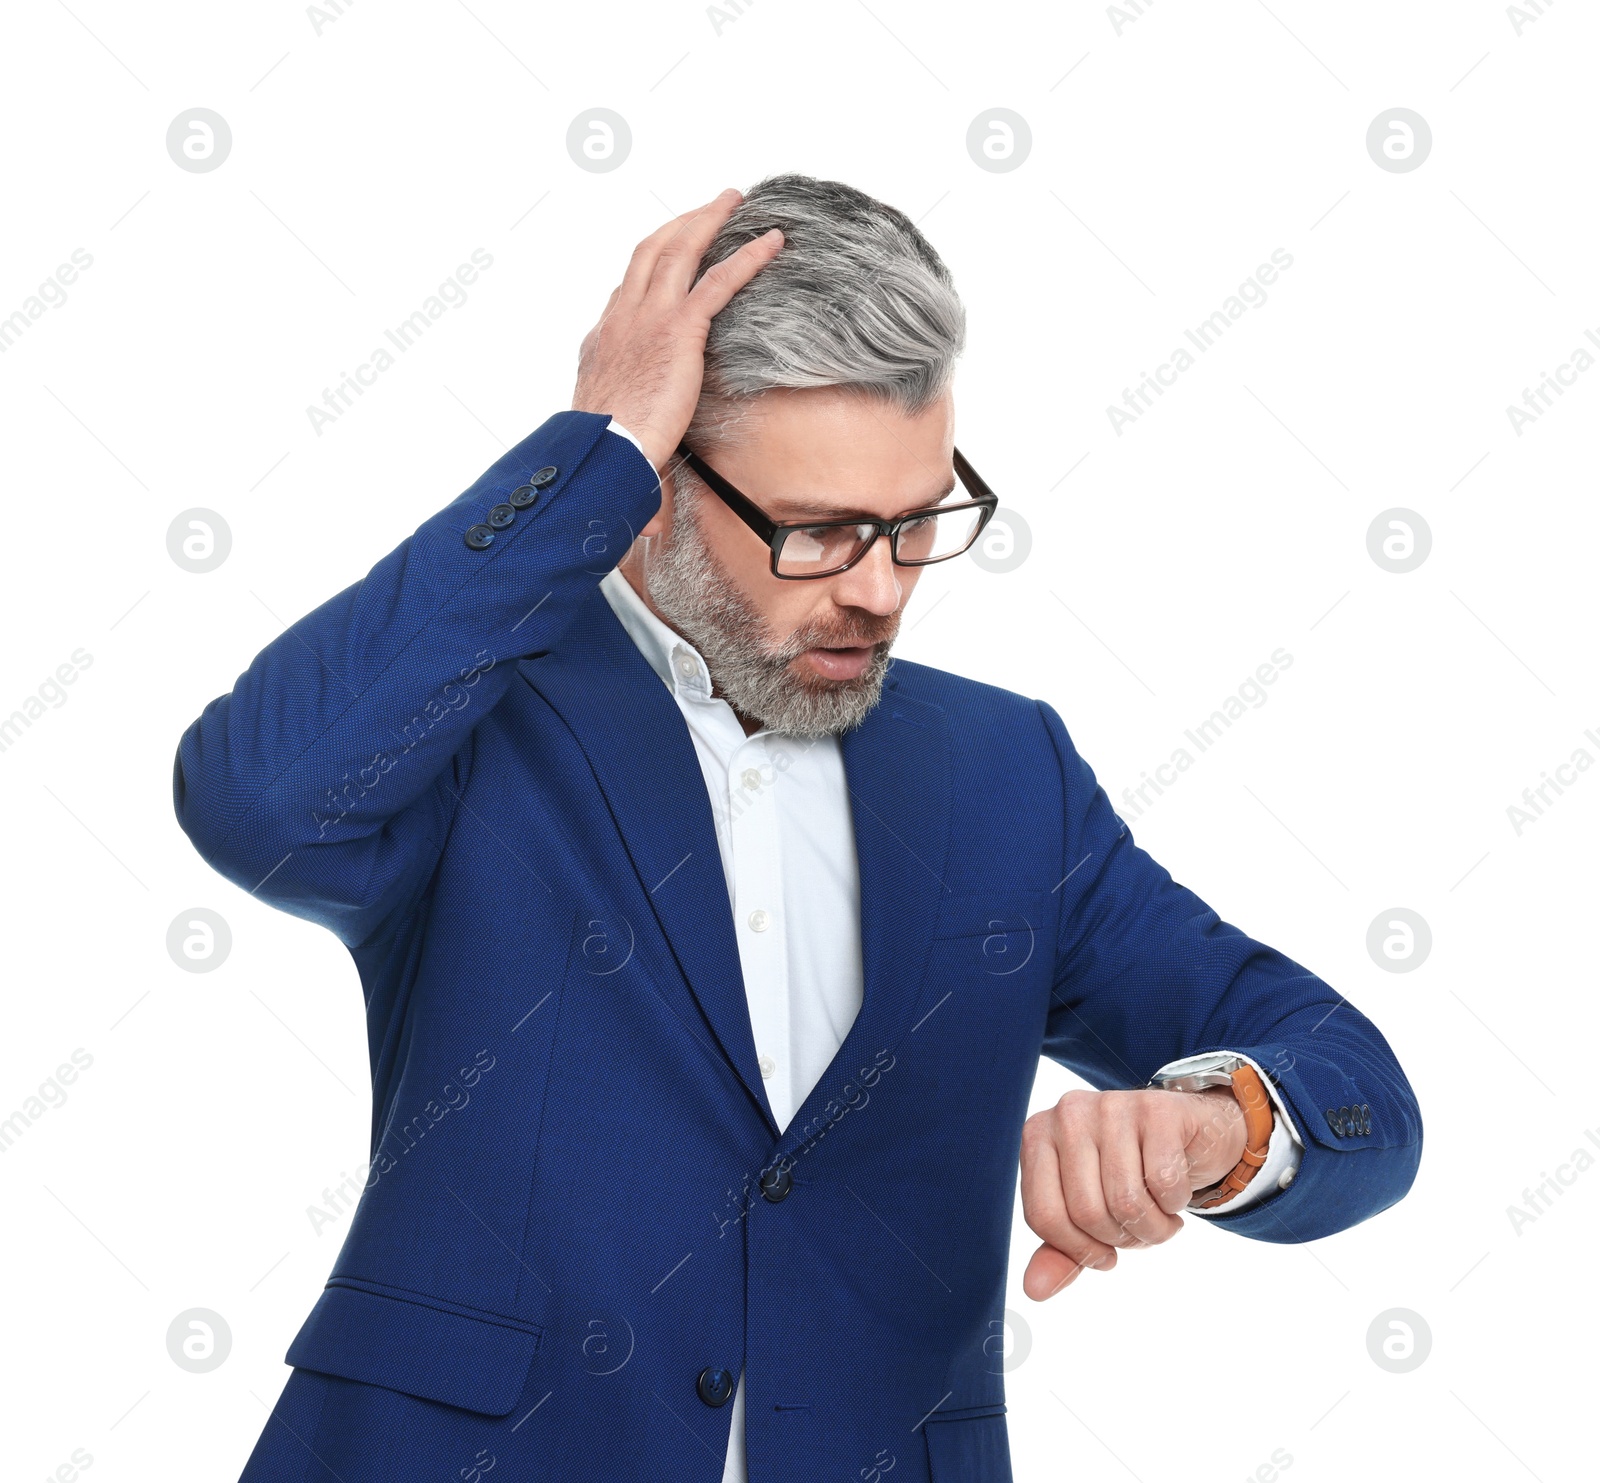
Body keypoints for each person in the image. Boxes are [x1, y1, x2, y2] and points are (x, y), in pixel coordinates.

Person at [174, 174, 1421, 1483]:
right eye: (821, 534)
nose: (882, 591)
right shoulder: (470, 719)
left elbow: (1350, 1083)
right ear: (654, 488)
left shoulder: (1004, 771)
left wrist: (1215, 1125)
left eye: (917, 520)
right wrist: (585, 453)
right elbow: (258, 798)